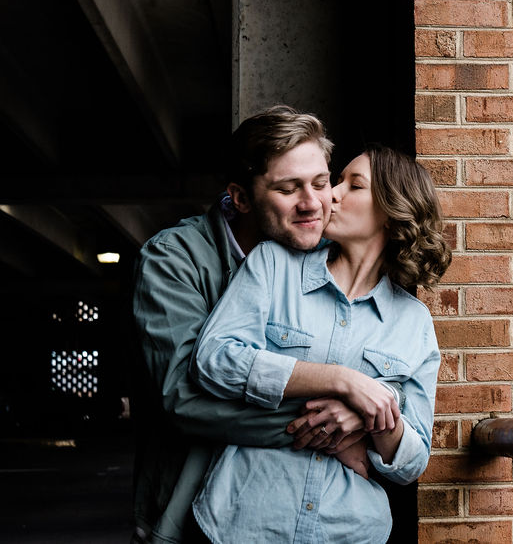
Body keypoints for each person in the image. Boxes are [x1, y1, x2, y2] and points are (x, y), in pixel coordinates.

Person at [131, 106, 401, 543]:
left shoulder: (326, 259)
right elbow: (182, 397)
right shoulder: (173, 259)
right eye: (288, 188)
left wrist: (362, 409)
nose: (314, 203)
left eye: (319, 182)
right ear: (240, 197)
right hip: (184, 511)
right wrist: (336, 430)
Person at [188, 143, 450, 543]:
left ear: (392, 211)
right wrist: (344, 382)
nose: (331, 195)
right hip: (243, 522)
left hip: (349, 530)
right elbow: (214, 361)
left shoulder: (413, 322)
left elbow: (413, 460)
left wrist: (369, 420)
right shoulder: (273, 264)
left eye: (353, 185)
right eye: (337, 181)